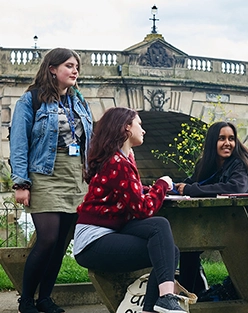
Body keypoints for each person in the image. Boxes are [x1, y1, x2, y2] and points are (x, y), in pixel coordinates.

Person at [73, 107, 186, 313]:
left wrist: (151, 189)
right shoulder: (118, 163)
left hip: (113, 229)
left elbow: (130, 191)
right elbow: (143, 209)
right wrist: (161, 185)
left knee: (167, 245)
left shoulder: (125, 157)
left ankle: (157, 304)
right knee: (164, 248)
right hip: (92, 242)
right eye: (139, 124)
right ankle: (164, 299)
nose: (143, 130)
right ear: (126, 127)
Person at [9, 48, 93, 313]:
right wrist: (21, 183)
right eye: (69, 65)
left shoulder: (79, 101)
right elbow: (19, 143)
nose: (75, 70)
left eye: (77, 66)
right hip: (44, 174)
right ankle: (26, 300)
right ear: (52, 69)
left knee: (60, 244)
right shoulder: (31, 100)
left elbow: (88, 141)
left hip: (75, 177)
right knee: (47, 238)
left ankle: (45, 298)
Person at [174, 121, 248, 296]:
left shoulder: (239, 163)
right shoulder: (205, 164)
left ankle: (196, 291)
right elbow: (190, 183)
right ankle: (190, 293)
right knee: (186, 245)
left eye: (231, 138)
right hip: (215, 223)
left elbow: (236, 188)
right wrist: (168, 187)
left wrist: (192, 190)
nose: (227, 143)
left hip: (241, 224)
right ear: (213, 141)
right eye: (222, 138)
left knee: (190, 243)